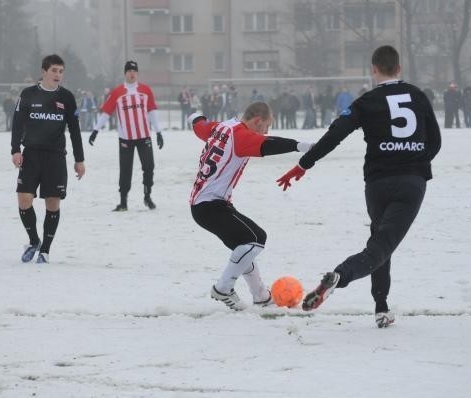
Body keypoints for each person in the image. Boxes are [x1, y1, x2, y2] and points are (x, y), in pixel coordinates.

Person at [277, 45, 441, 328]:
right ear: (399, 69)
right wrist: (415, 161)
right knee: (381, 246)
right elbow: (435, 141)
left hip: (377, 183)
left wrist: (303, 164)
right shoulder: (418, 95)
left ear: (374, 70)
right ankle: (340, 276)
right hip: (411, 182)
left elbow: (335, 134)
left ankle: (381, 307)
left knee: (380, 242)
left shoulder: (366, 101)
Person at [189, 102, 313, 311]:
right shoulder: (241, 136)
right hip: (211, 205)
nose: (267, 131)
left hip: (205, 203)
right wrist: (301, 146)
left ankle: (261, 296)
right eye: (267, 125)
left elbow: (199, 125)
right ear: (257, 121)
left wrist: (195, 116)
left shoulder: (220, 127)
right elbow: (269, 144)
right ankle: (223, 288)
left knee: (243, 246)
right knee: (256, 239)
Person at [11, 54, 85, 264]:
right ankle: (34, 240)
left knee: (52, 203)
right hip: (31, 155)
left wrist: (79, 160)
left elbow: (75, 130)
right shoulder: (28, 94)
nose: (57, 75)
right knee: (24, 199)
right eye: (54, 70)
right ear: (43, 71)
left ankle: (45, 250)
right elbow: (17, 123)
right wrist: (15, 150)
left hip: (55, 157)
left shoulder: (67, 98)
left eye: (61, 71)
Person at [89, 60, 163, 211]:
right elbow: (106, 112)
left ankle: (147, 195)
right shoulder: (116, 92)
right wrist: (95, 130)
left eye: (134, 71)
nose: (132, 73)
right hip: (126, 139)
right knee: (125, 169)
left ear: (137, 73)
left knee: (149, 166)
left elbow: (152, 112)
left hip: (144, 136)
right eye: (129, 70)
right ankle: (123, 201)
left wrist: (159, 132)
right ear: (125, 73)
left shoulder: (145, 90)